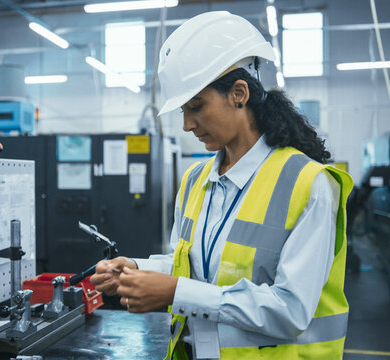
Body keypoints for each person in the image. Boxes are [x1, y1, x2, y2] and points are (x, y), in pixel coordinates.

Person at [89, 11, 353, 360]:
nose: (186, 125)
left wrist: (174, 293)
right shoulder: (196, 179)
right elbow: (192, 266)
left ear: (239, 94)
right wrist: (139, 270)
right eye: (183, 109)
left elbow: (290, 310)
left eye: (196, 107)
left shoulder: (310, 184)